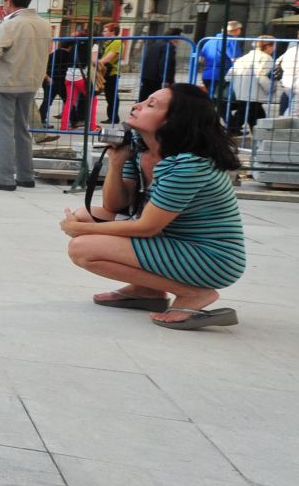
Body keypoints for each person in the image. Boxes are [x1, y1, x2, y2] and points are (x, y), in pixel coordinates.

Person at [62, 83, 245, 329]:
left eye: (151, 105)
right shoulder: (141, 149)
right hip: (173, 242)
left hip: (210, 257)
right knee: (86, 215)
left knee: (82, 248)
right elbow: (115, 204)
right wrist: (117, 163)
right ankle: (147, 290)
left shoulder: (188, 165)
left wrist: (82, 231)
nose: (137, 106)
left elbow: (147, 227)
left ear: (172, 121)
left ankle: (193, 293)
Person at [0, 0, 55, 191]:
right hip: (31, 83)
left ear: (8, 1)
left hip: (6, 82)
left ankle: (4, 178)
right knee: (22, 129)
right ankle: (26, 175)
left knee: (2, 130)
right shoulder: (44, 24)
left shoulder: (9, 24)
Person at [225, 36, 278, 133]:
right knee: (247, 114)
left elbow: (228, 76)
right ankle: (230, 132)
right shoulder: (266, 58)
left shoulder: (243, 58)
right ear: (268, 46)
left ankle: (258, 135)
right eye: (274, 45)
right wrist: (271, 88)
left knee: (252, 114)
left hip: (241, 92)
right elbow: (260, 76)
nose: (274, 48)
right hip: (254, 93)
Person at [196, 21, 244, 97]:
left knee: (210, 97)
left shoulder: (209, 41)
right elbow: (236, 60)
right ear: (237, 30)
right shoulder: (231, 41)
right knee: (222, 100)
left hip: (207, 74)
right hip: (222, 75)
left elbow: (201, 60)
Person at [137, 27, 182, 103]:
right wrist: (166, 79)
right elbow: (165, 63)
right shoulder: (168, 47)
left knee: (144, 98)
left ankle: (135, 113)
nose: (179, 40)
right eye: (179, 37)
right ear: (175, 37)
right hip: (157, 79)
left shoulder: (156, 44)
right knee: (157, 101)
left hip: (147, 76)